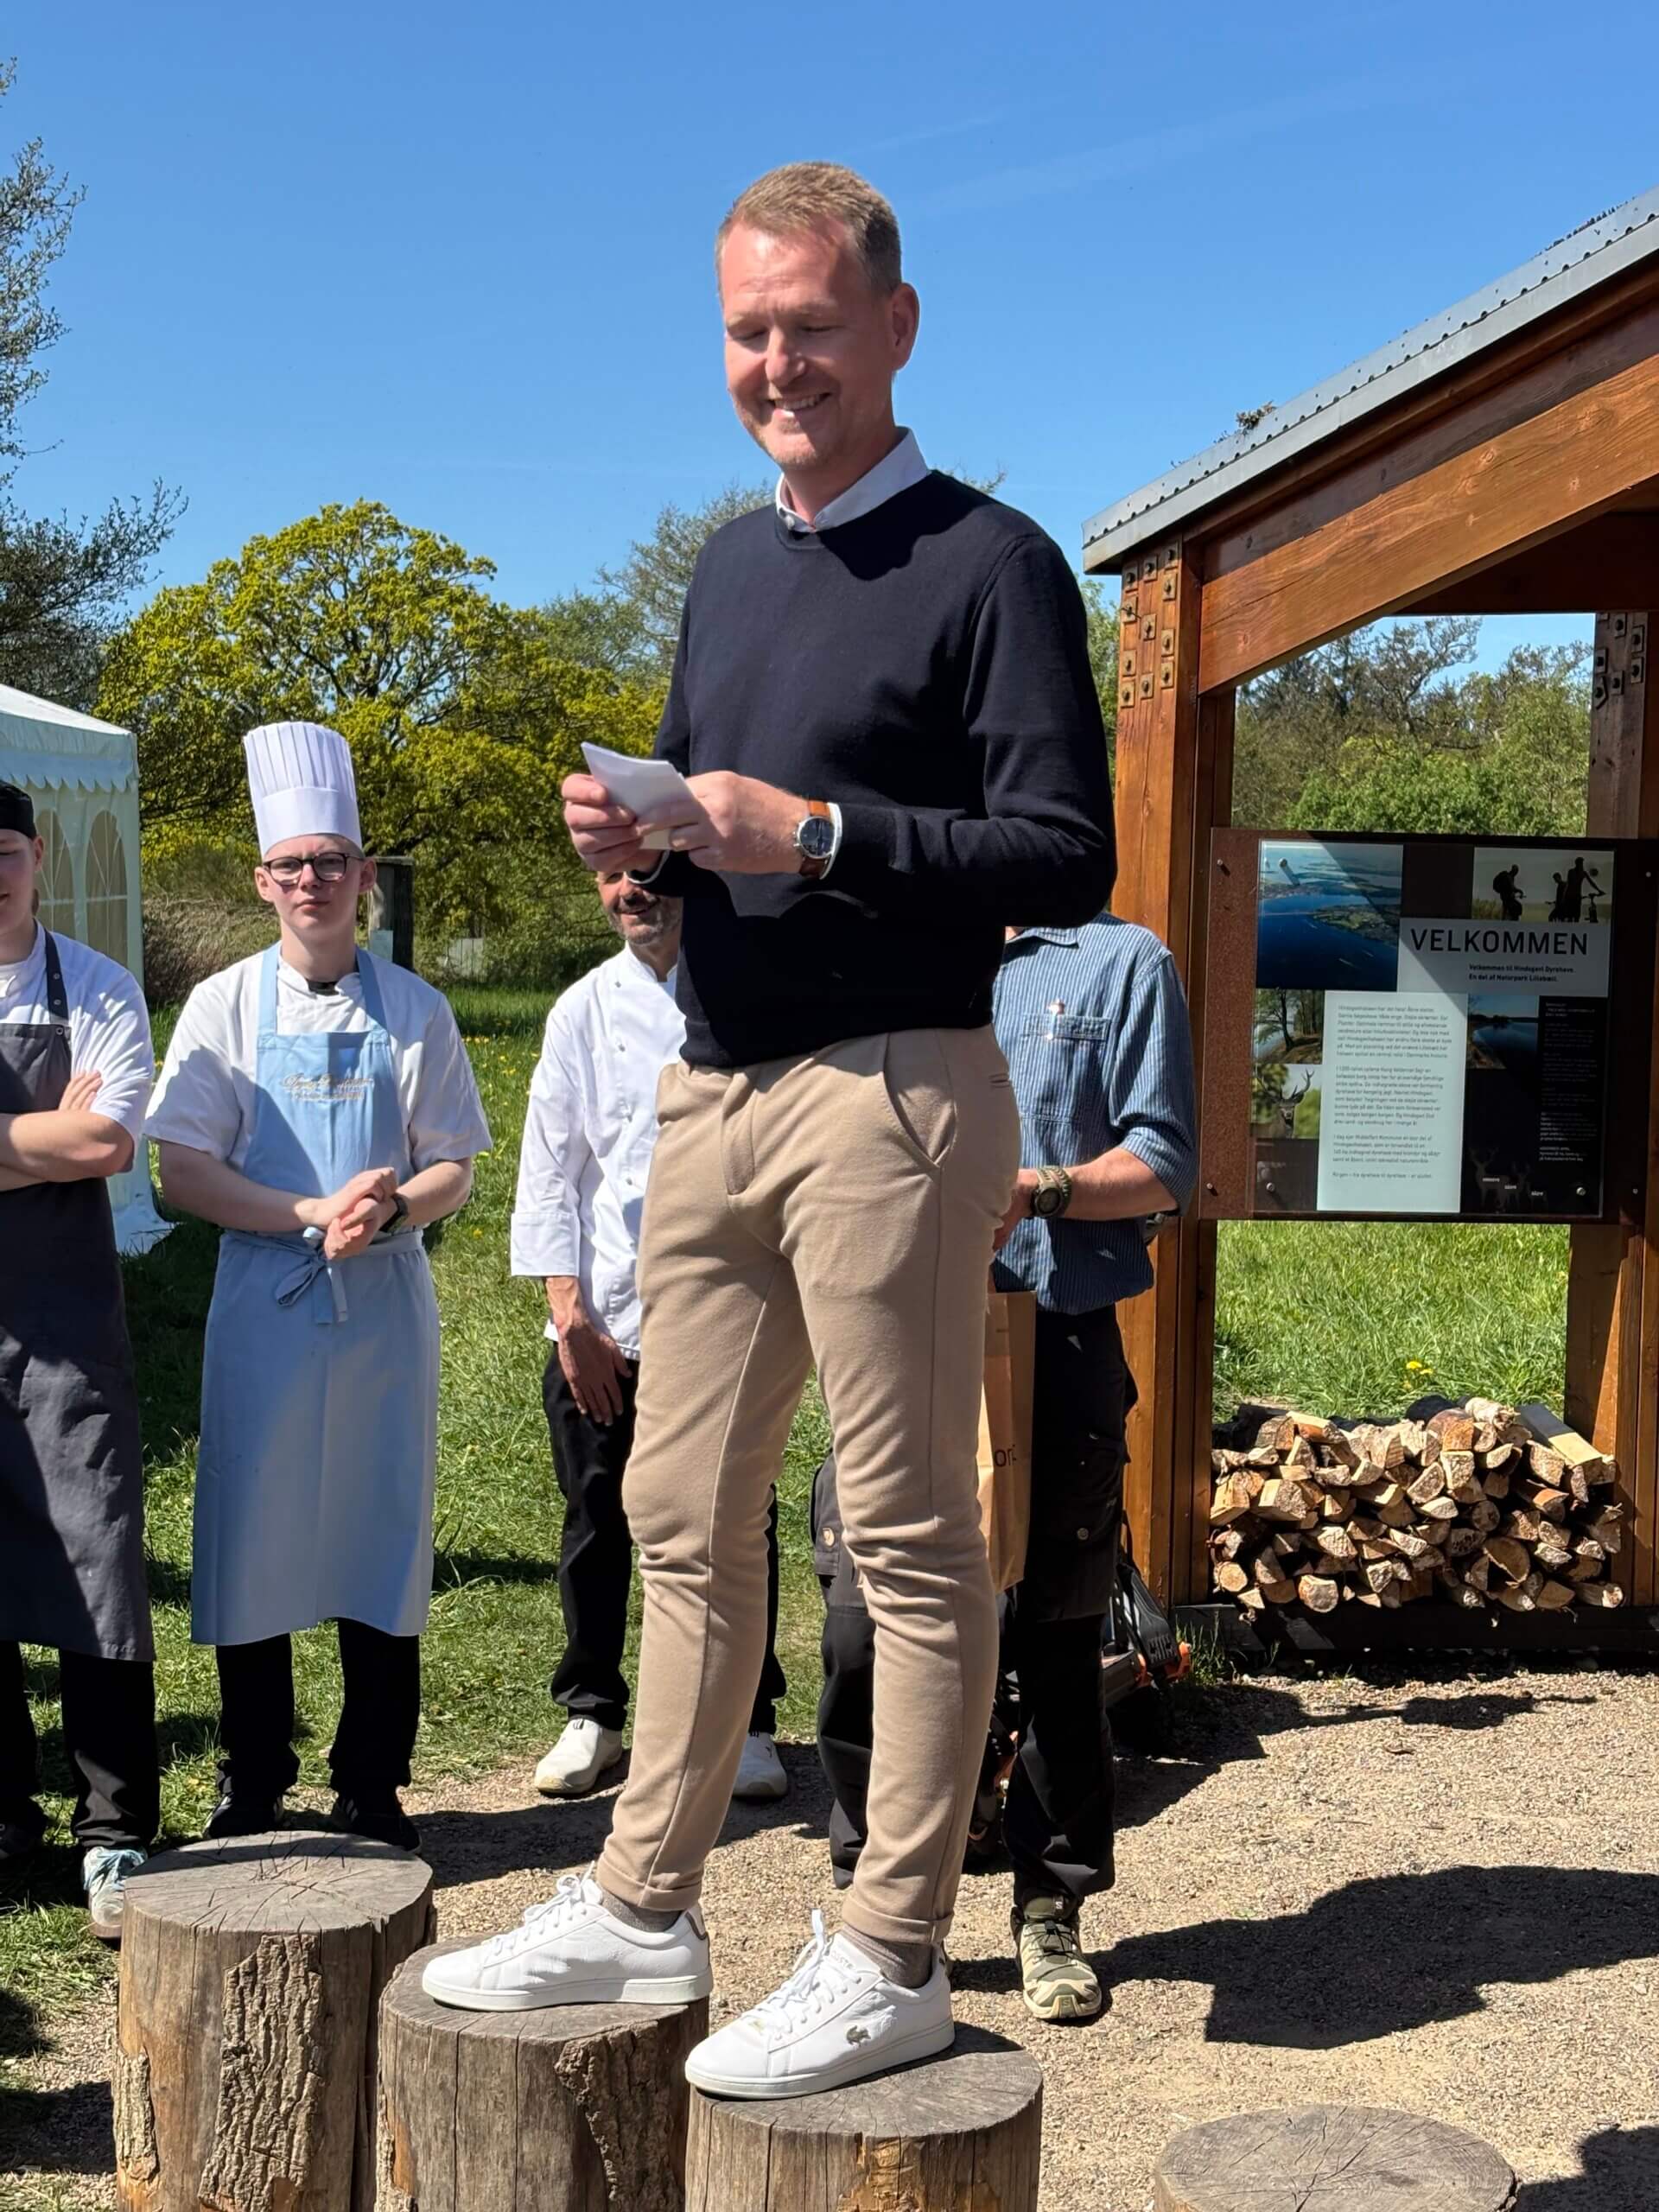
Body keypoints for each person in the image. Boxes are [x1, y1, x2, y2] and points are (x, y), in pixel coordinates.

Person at [428, 162, 1115, 2098]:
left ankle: (892, 1945)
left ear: (897, 327)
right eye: (746, 329)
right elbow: (711, 812)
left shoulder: (995, 563)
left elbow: (1068, 849)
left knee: (901, 1529)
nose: (777, 362)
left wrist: (811, 834)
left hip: (894, 1084)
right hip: (707, 1083)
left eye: (811, 323)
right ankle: (646, 1898)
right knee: (674, 1510)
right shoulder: (732, 563)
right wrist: (641, 835)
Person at [814, 916, 1198, 2023]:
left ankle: (1048, 1908)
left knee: (1058, 1635)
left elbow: (1165, 1162)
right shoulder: (890, 943)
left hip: (1061, 1332)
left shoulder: (1124, 963)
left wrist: (1042, 1190)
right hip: (899, 1324)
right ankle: (876, 1900)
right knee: (860, 1621)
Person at [146, 723, 491, 1849]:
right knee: (254, 1528)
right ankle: (254, 1775)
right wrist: (306, 1211)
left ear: (364, 877)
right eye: (291, 866)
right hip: (265, 1295)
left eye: (331, 863)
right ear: (264, 882)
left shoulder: (418, 1011)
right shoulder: (222, 1011)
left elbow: (455, 1164)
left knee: (377, 1527)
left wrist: (391, 1206)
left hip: (385, 1299)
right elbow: (182, 1168)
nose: (312, 883)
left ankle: (372, 1778)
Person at [512, 868, 788, 1802]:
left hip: (724, 1307)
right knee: (597, 1513)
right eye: (615, 875)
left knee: (736, 1511)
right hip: (607, 1314)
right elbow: (551, 1167)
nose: (634, 891)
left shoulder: (750, 989)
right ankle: (593, 1711)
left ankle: (748, 1719)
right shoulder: (582, 1011)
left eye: (653, 874)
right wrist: (568, 1314)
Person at [0, 781, 159, 1939]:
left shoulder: (96, 986)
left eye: (5, 851)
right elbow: (67, 1135)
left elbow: (107, 1139)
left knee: (95, 1552)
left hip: (65, 1321)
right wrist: (34, 1140)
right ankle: (9, 1814)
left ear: (38, 857)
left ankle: (115, 1831)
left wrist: (74, 1142)